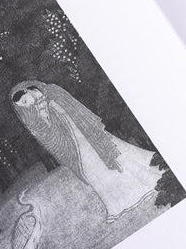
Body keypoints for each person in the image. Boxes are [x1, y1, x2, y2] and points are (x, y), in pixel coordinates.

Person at [10, 81, 160, 221]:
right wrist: (44, 121)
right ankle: (118, 203)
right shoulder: (35, 113)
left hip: (86, 134)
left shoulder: (53, 91)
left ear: (26, 91)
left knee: (114, 158)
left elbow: (75, 109)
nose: (28, 105)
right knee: (94, 172)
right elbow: (50, 136)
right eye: (24, 106)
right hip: (74, 147)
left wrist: (53, 110)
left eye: (25, 101)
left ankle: (139, 185)